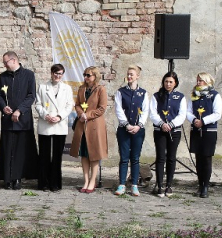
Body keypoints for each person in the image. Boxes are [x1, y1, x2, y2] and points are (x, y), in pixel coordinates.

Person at [0, 51, 38, 189]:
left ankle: (18, 178)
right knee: (8, 148)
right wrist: (3, 107)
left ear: (13, 60)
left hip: (22, 119)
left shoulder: (29, 75)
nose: (4, 65)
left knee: (20, 150)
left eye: (5, 62)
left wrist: (19, 110)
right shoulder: (3, 77)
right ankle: (7, 178)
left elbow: (31, 96)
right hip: (8, 119)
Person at [35, 63, 74, 192]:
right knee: (44, 155)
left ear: (63, 75)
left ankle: (55, 183)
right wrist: (46, 115)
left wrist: (59, 116)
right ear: (51, 73)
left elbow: (69, 105)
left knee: (57, 156)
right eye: (56, 73)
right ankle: (44, 183)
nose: (58, 76)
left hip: (59, 124)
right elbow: (38, 104)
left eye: (60, 74)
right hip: (46, 124)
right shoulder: (42, 87)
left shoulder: (67, 89)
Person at [69, 66, 108, 194]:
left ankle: (92, 180)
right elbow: (77, 105)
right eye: (84, 75)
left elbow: (102, 108)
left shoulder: (101, 90)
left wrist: (88, 115)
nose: (85, 77)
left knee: (94, 154)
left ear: (95, 76)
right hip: (82, 124)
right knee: (84, 154)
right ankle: (85, 180)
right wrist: (80, 114)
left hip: (95, 126)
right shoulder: (81, 89)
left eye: (88, 75)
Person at [113, 65, 150, 197]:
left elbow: (145, 111)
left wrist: (139, 125)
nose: (129, 76)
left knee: (135, 158)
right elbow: (118, 109)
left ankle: (134, 185)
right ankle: (122, 184)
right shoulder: (121, 92)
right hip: (124, 129)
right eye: (128, 74)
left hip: (138, 130)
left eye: (132, 74)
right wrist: (127, 125)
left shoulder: (143, 93)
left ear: (137, 76)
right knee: (124, 158)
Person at [149, 71, 187, 197]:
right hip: (160, 131)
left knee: (171, 158)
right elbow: (153, 113)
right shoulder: (156, 96)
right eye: (166, 81)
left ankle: (169, 185)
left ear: (175, 83)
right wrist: (161, 124)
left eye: (171, 82)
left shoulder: (180, 97)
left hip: (174, 131)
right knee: (160, 158)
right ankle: (160, 185)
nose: (168, 84)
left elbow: (182, 115)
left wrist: (171, 124)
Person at [186, 72, 222, 198]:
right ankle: (200, 184)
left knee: (206, 158)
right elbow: (188, 111)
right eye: (197, 80)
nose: (198, 83)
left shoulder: (215, 95)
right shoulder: (193, 95)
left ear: (207, 81)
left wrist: (204, 121)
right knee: (198, 158)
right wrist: (194, 120)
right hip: (196, 129)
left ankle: (206, 186)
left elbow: (217, 113)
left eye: (201, 80)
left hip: (209, 131)